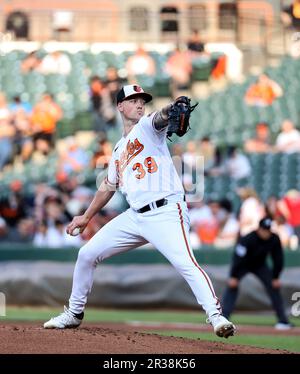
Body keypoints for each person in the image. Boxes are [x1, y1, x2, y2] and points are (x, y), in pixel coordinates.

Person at [43, 84, 236, 338]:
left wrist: (171, 108)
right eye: (133, 100)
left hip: (166, 211)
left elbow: (161, 117)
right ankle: (74, 313)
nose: (140, 103)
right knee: (87, 253)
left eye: (142, 100)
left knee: (185, 263)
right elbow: (107, 186)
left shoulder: (147, 127)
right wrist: (86, 216)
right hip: (135, 216)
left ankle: (216, 316)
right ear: (120, 106)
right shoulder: (117, 149)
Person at [222, 217, 292, 330]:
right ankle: (223, 318)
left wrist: (276, 277)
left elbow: (278, 258)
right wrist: (233, 276)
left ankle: (283, 320)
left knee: (274, 287)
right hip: (243, 265)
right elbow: (238, 258)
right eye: (264, 230)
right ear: (259, 229)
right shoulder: (248, 238)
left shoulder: (274, 238)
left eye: (268, 230)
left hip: (260, 265)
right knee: (232, 286)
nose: (266, 233)